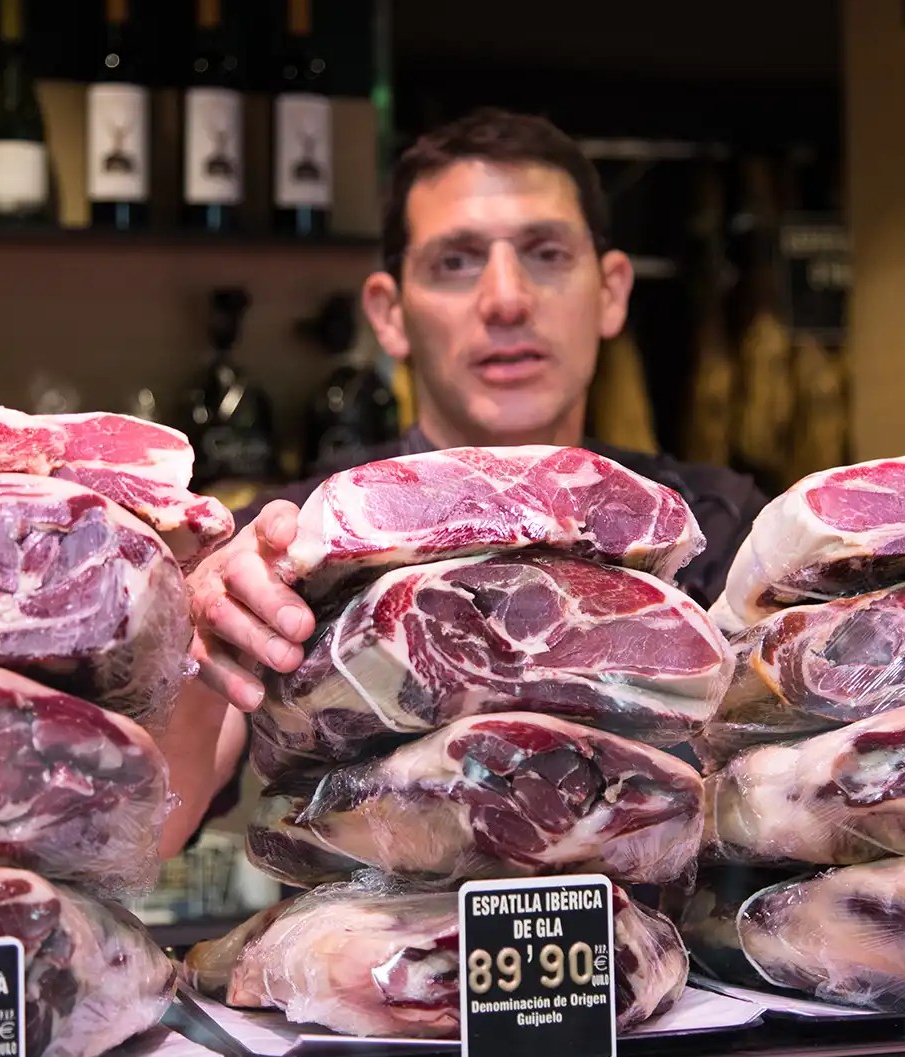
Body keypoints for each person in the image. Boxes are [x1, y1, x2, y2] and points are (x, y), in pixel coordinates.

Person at [155, 107, 766, 857]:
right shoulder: (287, 543)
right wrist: (190, 640)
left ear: (610, 292)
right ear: (389, 313)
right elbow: (153, 833)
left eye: (546, 253)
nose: (506, 299)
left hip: (647, 965)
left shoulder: (714, 528)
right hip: (391, 961)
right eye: (456, 261)